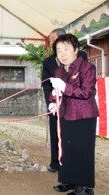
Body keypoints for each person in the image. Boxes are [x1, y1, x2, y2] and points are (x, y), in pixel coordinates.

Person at [49, 34, 98, 195]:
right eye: (58, 50)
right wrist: (52, 102)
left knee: (82, 150)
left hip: (84, 115)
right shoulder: (58, 70)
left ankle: (85, 187)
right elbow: (55, 92)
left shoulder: (87, 68)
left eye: (66, 49)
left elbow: (86, 92)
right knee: (67, 148)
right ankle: (70, 180)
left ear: (76, 50)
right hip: (65, 114)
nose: (62, 54)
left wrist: (64, 87)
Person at [41, 28, 88, 173]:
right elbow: (46, 84)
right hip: (56, 105)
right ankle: (56, 162)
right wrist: (51, 104)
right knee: (56, 133)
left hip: (76, 105)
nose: (52, 43)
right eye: (51, 42)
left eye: (53, 39)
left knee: (73, 138)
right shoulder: (48, 62)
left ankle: (72, 168)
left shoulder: (80, 55)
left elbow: (82, 82)